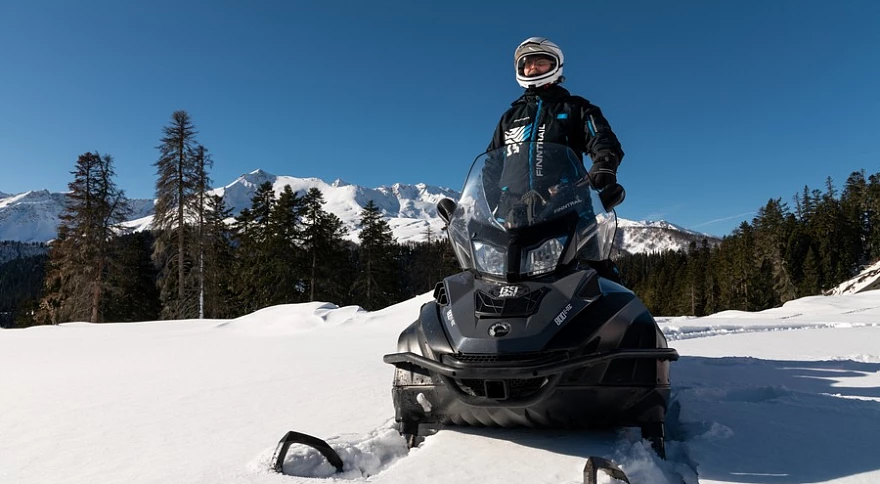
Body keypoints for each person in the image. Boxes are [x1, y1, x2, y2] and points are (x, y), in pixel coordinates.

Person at [484, 36, 626, 283]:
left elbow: (601, 138)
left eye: (540, 62)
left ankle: (626, 319)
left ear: (555, 66)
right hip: (514, 216)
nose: (532, 68)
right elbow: (491, 163)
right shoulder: (509, 117)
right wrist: (494, 201)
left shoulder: (576, 108)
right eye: (527, 63)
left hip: (568, 207)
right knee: (496, 281)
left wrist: (604, 163)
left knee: (597, 276)